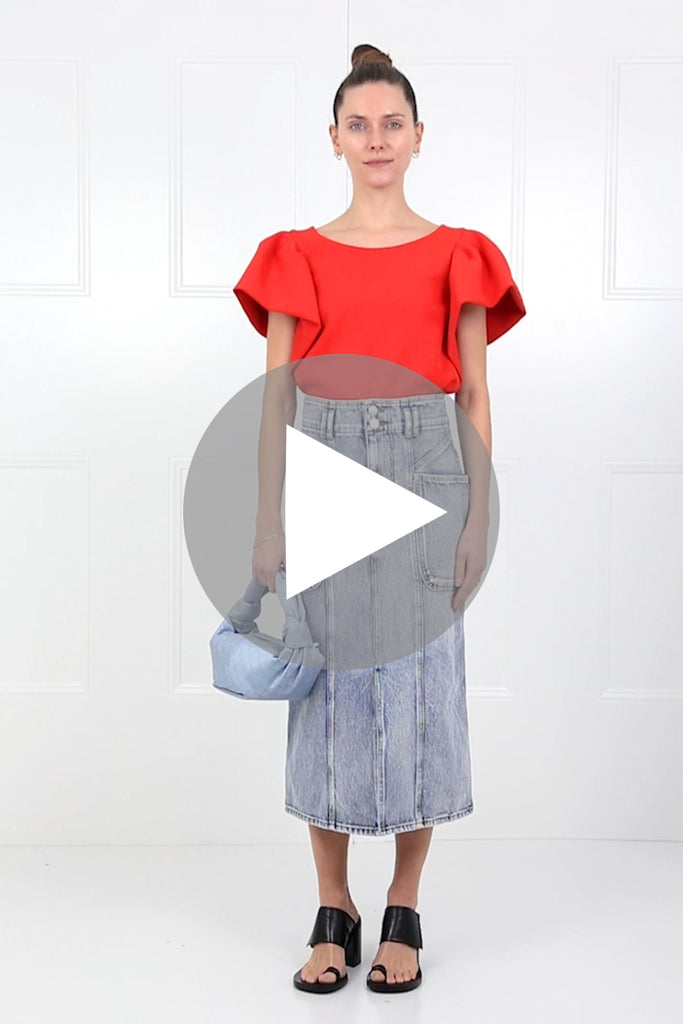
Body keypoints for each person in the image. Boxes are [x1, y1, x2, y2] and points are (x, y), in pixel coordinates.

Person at [232, 43, 526, 995]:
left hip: (430, 472)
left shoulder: (458, 252)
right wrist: (268, 523)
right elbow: (277, 400)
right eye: (357, 125)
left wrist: (477, 515)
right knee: (325, 696)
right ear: (333, 139)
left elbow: (473, 393)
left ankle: (402, 904)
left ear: (418, 136)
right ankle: (333, 907)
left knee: (420, 691)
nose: (375, 140)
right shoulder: (295, 254)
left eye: (391, 123)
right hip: (324, 472)